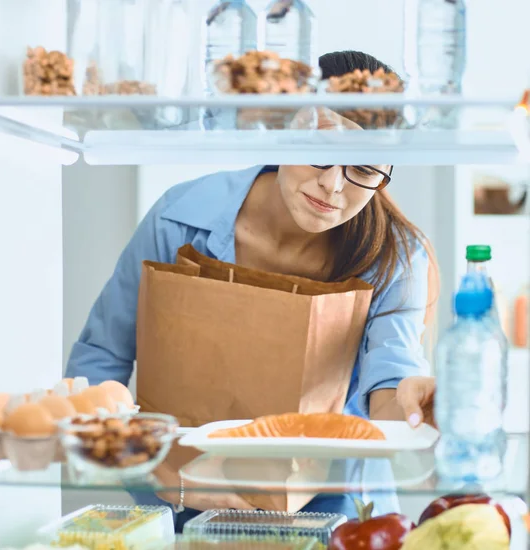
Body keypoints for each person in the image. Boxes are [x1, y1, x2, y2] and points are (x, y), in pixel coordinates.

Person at [66, 50, 439, 521]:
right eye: (319, 150)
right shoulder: (179, 217)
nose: (333, 186)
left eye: (364, 169)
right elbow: (100, 362)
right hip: (180, 502)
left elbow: (390, 382)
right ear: (285, 130)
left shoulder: (398, 256)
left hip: (334, 513)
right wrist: (162, 478)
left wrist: (411, 404)